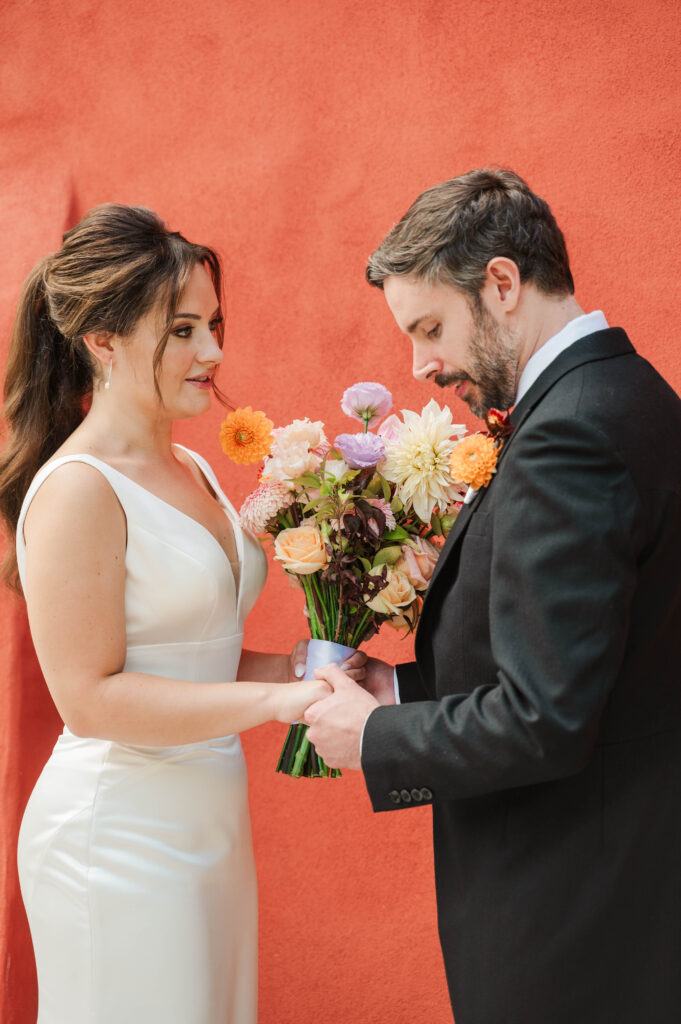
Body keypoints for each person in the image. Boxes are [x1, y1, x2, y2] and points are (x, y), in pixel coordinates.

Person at [305, 168, 681, 1023]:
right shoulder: (621, 395)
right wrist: (397, 687)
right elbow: (589, 668)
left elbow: (546, 717)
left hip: (569, 924)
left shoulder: (569, 435)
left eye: (430, 327)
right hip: (611, 891)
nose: (420, 363)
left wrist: (378, 736)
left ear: (502, 283)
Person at [0, 203, 365, 1024]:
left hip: (210, 825)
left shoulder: (194, 464)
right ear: (103, 340)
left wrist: (316, 672)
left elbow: (187, 661)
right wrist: (278, 704)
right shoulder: (78, 491)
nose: (214, 352)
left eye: (214, 324)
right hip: (117, 837)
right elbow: (91, 701)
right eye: (183, 331)